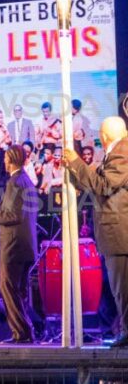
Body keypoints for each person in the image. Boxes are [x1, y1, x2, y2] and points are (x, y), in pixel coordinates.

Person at [64, 116, 128, 348]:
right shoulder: (117, 151)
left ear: (104, 135)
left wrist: (77, 163)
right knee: (120, 290)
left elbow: (104, 185)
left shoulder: (122, 150)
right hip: (116, 234)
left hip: (120, 234)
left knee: (122, 290)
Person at [0, 145, 39, 343]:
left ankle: (21, 333)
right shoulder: (27, 181)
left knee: (8, 288)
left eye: (6, 158)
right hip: (26, 246)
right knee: (18, 291)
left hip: (14, 247)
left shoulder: (15, 182)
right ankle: (25, 332)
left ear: (11, 159)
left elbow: (13, 215)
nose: (3, 162)